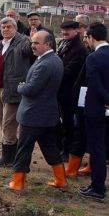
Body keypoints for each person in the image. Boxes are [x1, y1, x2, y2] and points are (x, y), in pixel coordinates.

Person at [8, 31, 65, 191]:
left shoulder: (45, 64)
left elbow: (31, 89)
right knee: (49, 147)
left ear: (48, 44)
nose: (32, 45)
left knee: (24, 148)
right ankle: (61, 180)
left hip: (33, 115)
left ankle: (18, 182)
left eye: (36, 43)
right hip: (47, 114)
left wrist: (20, 86)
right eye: (32, 42)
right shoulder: (55, 60)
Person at [0, 17, 34, 167]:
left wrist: (33, 39)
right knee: (1, 120)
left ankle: (8, 158)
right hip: (0, 87)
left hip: (14, 88)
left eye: (8, 27)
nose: (5, 30)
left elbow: (30, 51)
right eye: (3, 27)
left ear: (15, 28)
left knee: (9, 123)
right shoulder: (0, 44)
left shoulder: (23, 42)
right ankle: (10, 153)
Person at [78, 22, 109, 202]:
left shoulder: (93, 58)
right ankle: (97, 184)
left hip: (97, 109)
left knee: (97, 149)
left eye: (86, 38)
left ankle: (97, 188)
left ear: (91, 37)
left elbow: (95, 86)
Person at [56, 21, 88, 165]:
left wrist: (53, 72)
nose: (64, 33)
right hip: (60, 88)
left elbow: (71, 70)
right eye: (63, 30)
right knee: (61, 119)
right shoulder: (64, 43)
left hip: (70, 91)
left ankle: (68, 149)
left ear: (76, 30)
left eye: (68, 30)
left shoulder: (80, 49)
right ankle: (61, 146)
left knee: (69, 121)